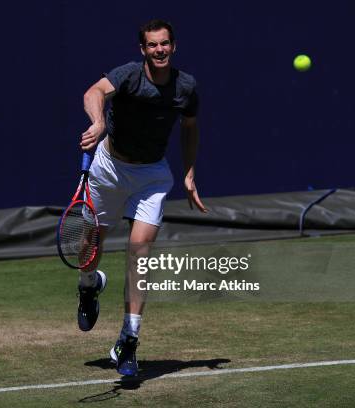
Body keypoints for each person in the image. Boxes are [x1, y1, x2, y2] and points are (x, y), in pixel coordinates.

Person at [76, 19, 208, 376]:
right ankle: (89, 285)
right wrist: (99, 122)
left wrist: (190, 171)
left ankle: (129, 339)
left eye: (164, 44)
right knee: (90, 248)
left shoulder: (186, 87)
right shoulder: (129, 76)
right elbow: (93, 92)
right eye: (152, 45)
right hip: (109, 167)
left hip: (151, 175)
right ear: (143, 50)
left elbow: (190, 127)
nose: (159, 50)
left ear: (174, 46)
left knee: (140, 252)